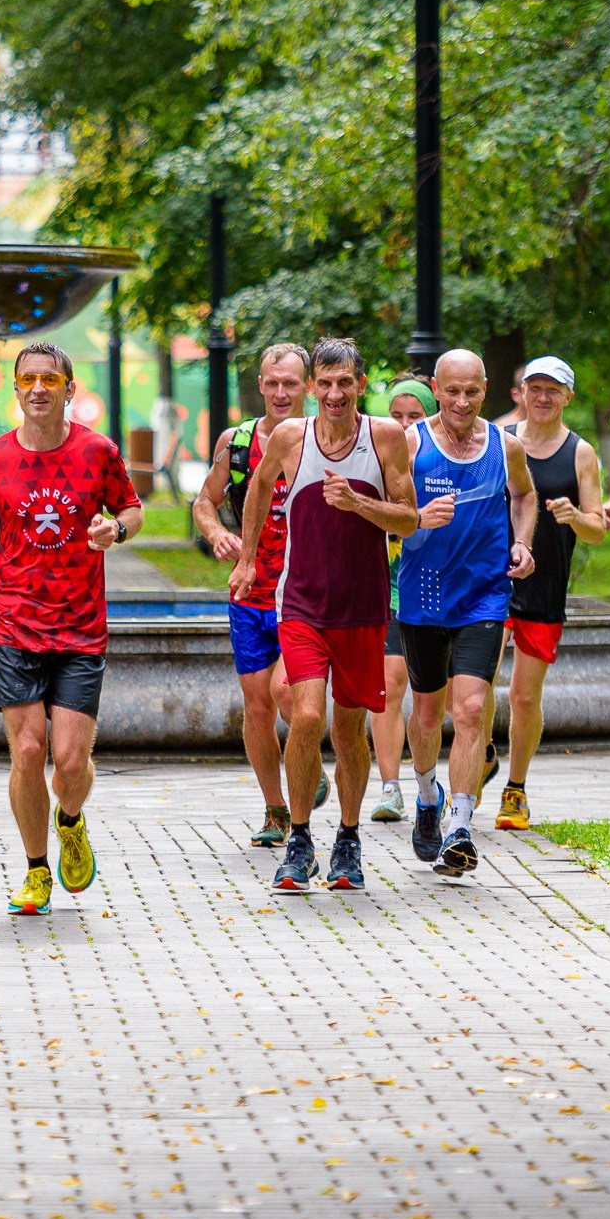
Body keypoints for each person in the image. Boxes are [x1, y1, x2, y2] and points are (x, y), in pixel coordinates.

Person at [0, 343, 143, 914]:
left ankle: (69, 820)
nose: (40, 388)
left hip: (79, 625)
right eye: (29, 379)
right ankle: (35, 869)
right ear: (17, 390)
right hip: (13, 622)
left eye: (52, 378)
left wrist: (115, 534)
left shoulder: (97, 451)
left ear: (69, 389)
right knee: (27, 750)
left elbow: (132, 509)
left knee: (71, 761)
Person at [227, 340, 419, 895]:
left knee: (349, 730)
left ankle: (350, 839)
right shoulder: (291, 438)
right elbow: (258, 491)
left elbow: (408, 520)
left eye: (346, 384)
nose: (335, 394)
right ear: (312, 386)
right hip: (302, 603)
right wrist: (246, 557)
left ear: (361, 385)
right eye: (326, 383)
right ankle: (301, 839)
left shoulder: (384, 437)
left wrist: (360, 504)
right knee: (306, 717)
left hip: (361, 608)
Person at [394, 350, 537, 878]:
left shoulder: (506, 445)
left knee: (473, 707)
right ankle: (427, 795)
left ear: (486, 388)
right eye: (451, 391)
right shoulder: (410, 443)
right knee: (428, 712)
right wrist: (414, 517)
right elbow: (384, 511)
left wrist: (521, 544)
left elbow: (524, 495)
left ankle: (459, 824)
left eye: (471, 392)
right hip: (424, 595)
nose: (461, 402)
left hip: (484, 594)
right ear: (436, 387)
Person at [191, 343, 317, 848]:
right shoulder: (238, 442)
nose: (282, 392)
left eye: (291, 383)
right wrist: (218, 532)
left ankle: (306, 757)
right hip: (249, 591)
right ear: (260, 385)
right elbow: (204, 500)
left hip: (304, 592)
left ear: (307, 386)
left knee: (287, 692)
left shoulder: (322, 439)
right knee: (257, 703)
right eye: (273, 383)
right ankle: (275, 809)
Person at [495, 358, 606, 828]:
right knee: (475, 686)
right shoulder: (498, 440)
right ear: (520, 391)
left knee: (523, 697)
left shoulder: (580, 453)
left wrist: (574, 517)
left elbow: (599, 528)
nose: (542, 397)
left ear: (568, 397)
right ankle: (479, 754)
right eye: (534, 387)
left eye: (552, 390)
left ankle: (515, 790)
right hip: (493, 582)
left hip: (546, 587)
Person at [367, 379, 432, 822]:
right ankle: (391, 786)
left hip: (441, 590)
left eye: (415, 415)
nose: (405, 424)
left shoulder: (447, 461)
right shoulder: (376, 461)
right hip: (389, 589)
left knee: (440, 697)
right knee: (388, 686)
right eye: (397, 415)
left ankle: (436, 779)